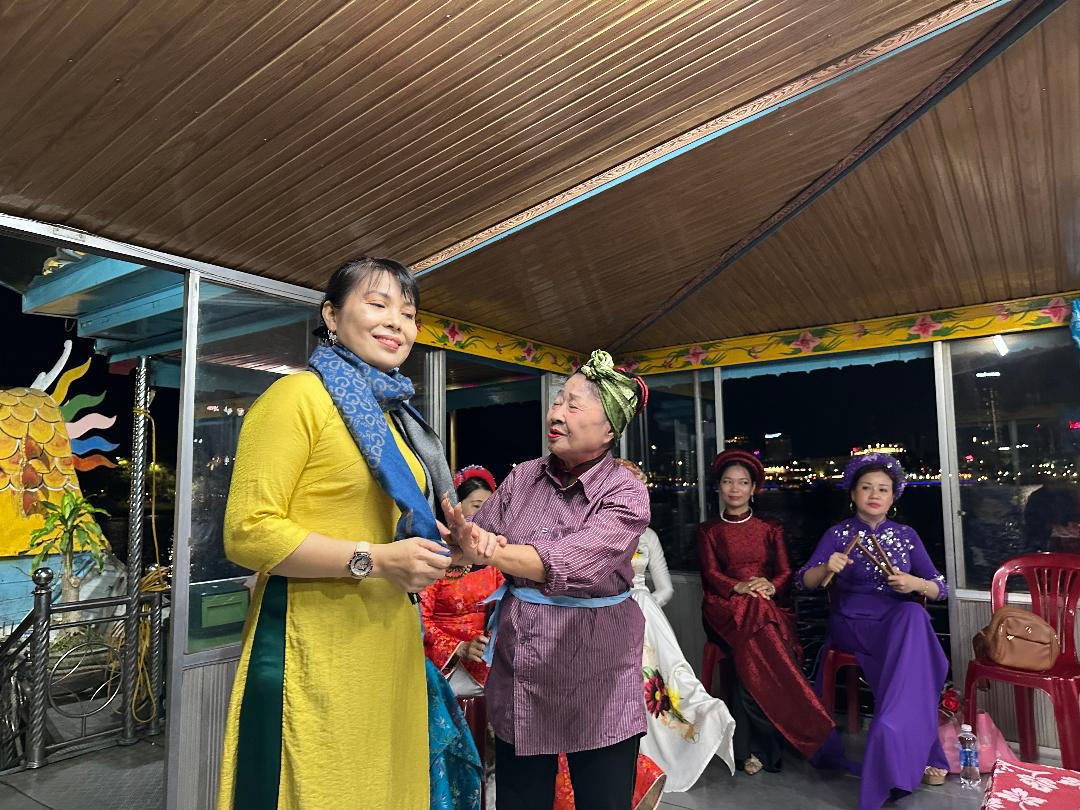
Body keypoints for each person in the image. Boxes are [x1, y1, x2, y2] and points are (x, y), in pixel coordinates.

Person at [217, 258, 479, 810]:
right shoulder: (296, 399)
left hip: (389, 647)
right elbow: (248, 534)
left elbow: (389, 531)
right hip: (315, 647)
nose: (397, 324)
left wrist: (447, 550)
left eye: (408, 313)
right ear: (331, 315)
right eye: (378, 304)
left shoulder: (395, 417)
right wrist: (378, 561)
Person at [441, 350, 651, 810]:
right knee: (519, 799)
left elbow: (577, 562)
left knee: (603, 799)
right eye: (558, 400)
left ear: (609, 430)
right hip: (524, 671)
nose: (555, 412)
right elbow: (476, 544)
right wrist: (453, 540)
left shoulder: (625, 490)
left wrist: (491, 549)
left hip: (598, 672)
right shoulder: (523, 479)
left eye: (573, 405)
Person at [798, 452, 949, 810]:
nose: (874, 494)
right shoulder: (838, 534)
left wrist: (914, 582)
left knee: (913, 614)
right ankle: (908, 745)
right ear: (853, 493)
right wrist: (826, 569)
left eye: (883, 488)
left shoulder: (906, 535)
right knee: (914, 640)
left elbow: (939, 587)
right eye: (866, 487)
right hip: (853, 622)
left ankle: (890, 734)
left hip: (896, 622)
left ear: (894, 495)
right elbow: (804, 581)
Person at [698, 449, 836, 775]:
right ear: (719, 486)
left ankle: (754, 749)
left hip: (767, 603)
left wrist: (770, 586)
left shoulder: (770, 527)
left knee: (753, 645)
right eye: (728, 482)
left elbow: (787, 572)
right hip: (724, 605)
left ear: (754, 488)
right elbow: (711, 575)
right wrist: (740, 586)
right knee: (755, 612)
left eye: (742, 482)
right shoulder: (709, 531)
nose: (735, 488)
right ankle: (797, 731)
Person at [615, 458, 735, 792]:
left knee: (663, 682)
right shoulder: (595, 530)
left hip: (642, 614)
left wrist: (644, 603)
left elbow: (665, 587)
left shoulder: (647, 536)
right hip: (606, 613)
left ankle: (684, 736)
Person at [421, 468, 503, 697]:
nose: (484, 515)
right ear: (456, 509)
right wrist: (460, 647)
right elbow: (419, 620)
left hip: (485, 662)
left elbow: (504, 610)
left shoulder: (493, 560)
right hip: (442, 664)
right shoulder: (436, 555)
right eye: (477, 506)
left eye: (490, 508)